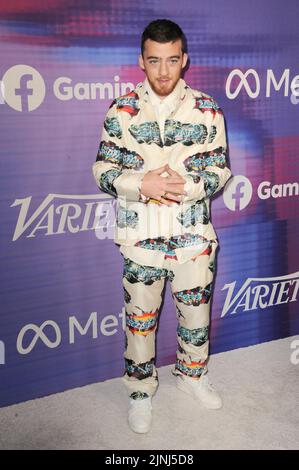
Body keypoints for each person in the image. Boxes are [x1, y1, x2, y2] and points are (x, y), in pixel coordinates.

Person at [92, 18, 232, 434]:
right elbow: (101, 169)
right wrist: (141, 183)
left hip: (194, 238)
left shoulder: (207, 109)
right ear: (141, 61)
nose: (164, 71)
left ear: (184, 59)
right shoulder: (121, 110)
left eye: (172, 60)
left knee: (196, 316)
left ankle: (192, 376)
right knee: (140, 319)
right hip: (140, 240)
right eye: (155, 61)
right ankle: (139, 390)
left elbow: (220, 171)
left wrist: (182, 187)